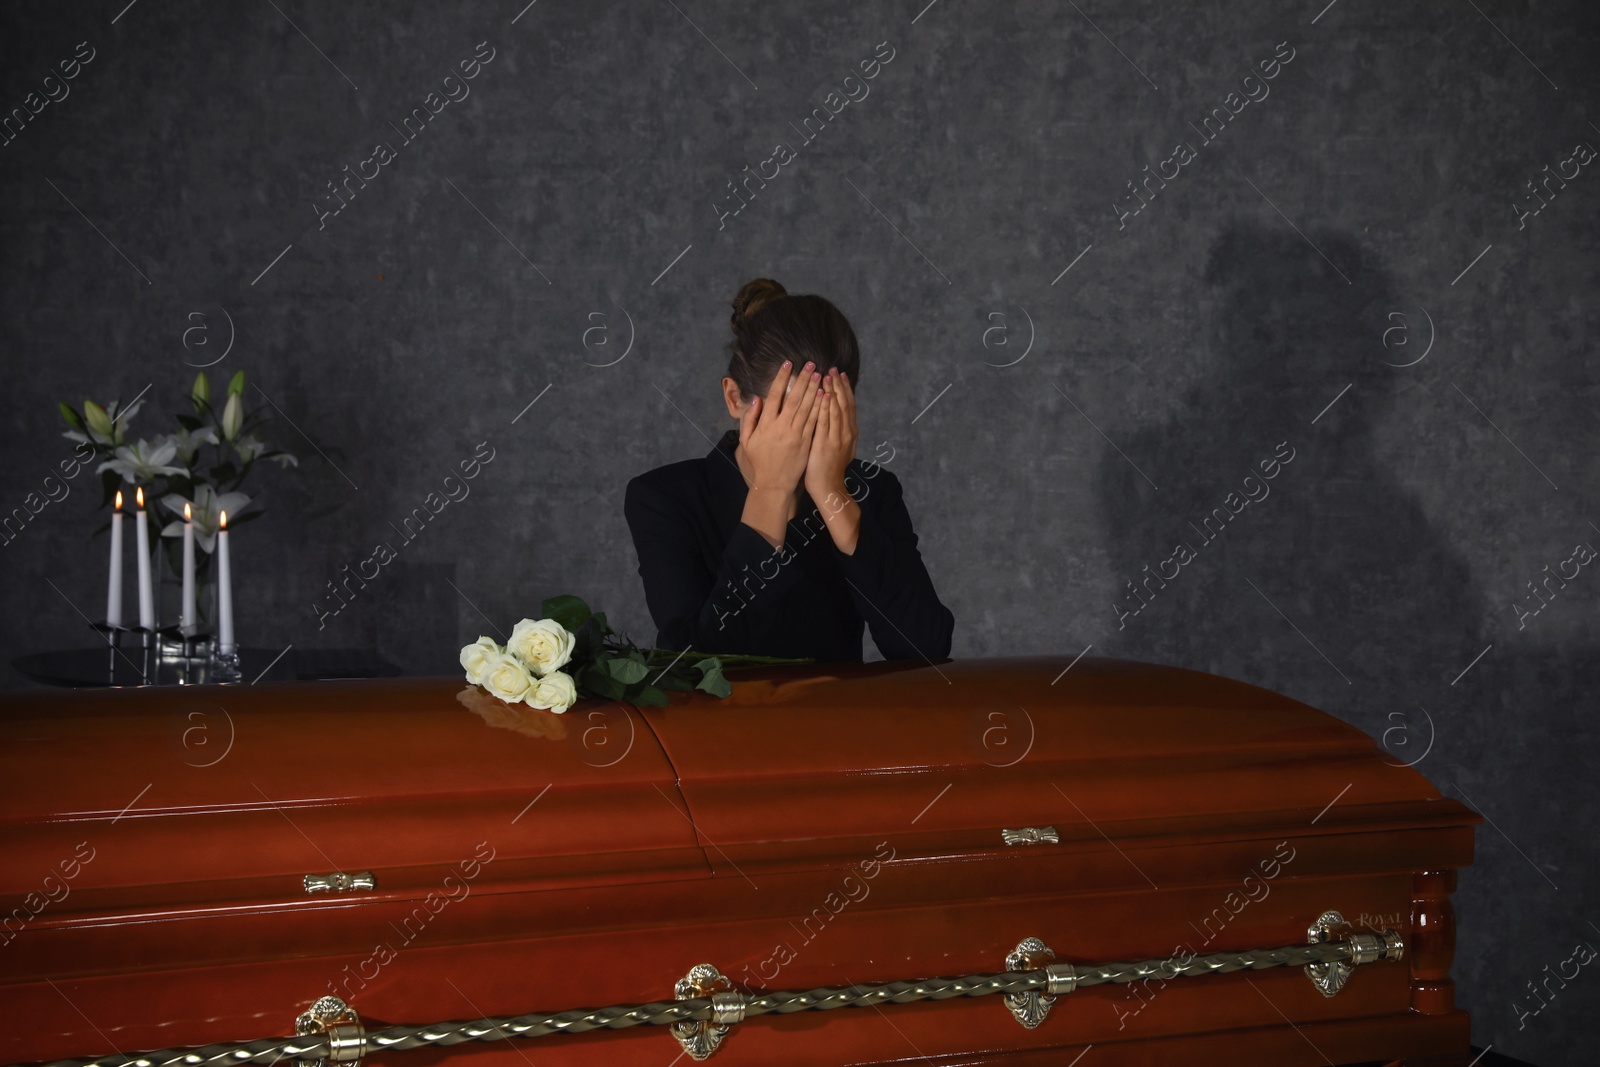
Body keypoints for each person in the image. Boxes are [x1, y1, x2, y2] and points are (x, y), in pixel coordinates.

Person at [624, 278, 955, 663]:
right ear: (735, 399)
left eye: (824, 419)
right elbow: (698, 662)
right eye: (788, 418)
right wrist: (771, 492)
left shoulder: (871, 491)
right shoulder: (665, 498)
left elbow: (925, 650)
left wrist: (833, 493)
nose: (805, 439)